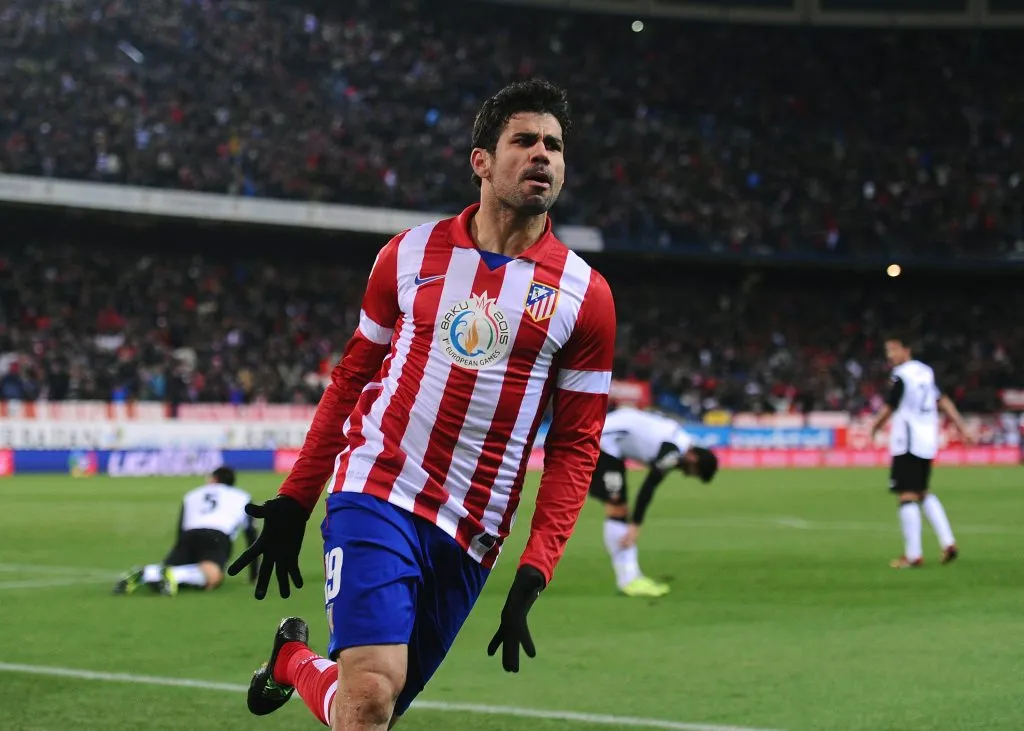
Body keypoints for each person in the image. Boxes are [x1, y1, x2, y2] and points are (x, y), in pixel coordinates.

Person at [227, 78, 616, 730]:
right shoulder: (407, 255)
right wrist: (298, 497)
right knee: (372, 694)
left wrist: (535, 566)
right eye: (524, 140)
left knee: (366, 708)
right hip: (380, 488)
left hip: (473, 528)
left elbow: (576, 444)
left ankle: (292, 658)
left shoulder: (586, 296)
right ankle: (308, 659)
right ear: (482, 161)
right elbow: (350, 380)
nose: (542, 154)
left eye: (554, 144)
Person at [589, 406, 718, 597]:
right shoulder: (673, 451)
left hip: (611, 442)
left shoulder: (678, 442)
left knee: (619, 509)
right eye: (693, 472)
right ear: (694, 458)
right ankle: (629, 580)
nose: (686, 475)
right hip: (602, 441)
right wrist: (636, 526)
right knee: (617, 509)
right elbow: (649, 486)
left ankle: (631, 578)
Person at [870, 336, 972, 569]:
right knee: (922, 491)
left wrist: (874, 426)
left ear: (907, 349)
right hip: (927, 440)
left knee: (906, 494)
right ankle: (948, 542)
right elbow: (942, 400)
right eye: (887, 351)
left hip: (908, 440)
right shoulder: (926, 372)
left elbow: (890, 405)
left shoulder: (901, 375)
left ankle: (913, 555)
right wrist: (962, 427)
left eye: (893, 350)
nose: (890, 356)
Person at [113, 466, 258, 595]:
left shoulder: (192, 495)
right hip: (217, 536)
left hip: (189, 535)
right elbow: (251, 536)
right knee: (213, 577)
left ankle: (148, 572)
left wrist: (180, 550)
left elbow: (181, 527)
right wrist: (253, 574)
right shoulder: (242, 497)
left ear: (213, 479)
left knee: (172, 567)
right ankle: (174, 575)